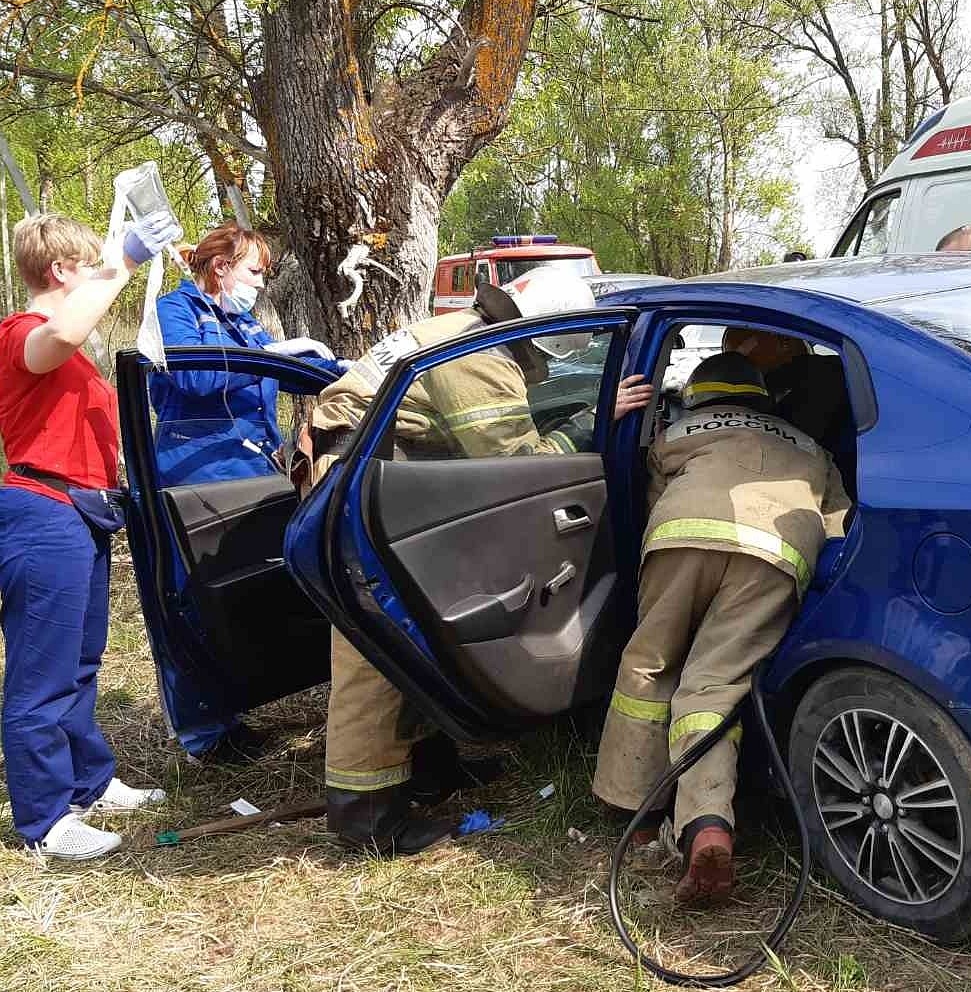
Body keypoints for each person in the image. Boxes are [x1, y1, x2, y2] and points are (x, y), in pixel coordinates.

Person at [308, 269, 653, 855]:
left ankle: (429, 770)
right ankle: (366, 814)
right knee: (378, 645)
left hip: (388, 478)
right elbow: (518, 458)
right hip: (363, 489)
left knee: (424, 628)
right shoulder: (478, 358)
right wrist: (589, 424)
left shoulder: (469, 330)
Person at [592, 352, 850, 905]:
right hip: (773, 558)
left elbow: (644, 497)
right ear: (762, 398)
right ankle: (707, 822)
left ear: (701, 396)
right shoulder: (810, 446)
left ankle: (633, 810)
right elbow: (839, 529)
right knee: (714, 685)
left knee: (648, 664)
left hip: (680, 539)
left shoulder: (679, 429)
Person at [0, 212, 175, 860]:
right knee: (39, 678)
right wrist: (124, 258)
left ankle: (89, 782)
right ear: (62, 272)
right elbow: (66, 332)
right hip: (42, 514)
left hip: (80, 513)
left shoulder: (67, 350)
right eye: (90, 269)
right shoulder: (24, 333)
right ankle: (44, 821)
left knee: (79, 663)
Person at [151, 222, 346, 763]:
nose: (261, 283)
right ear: (221, 267)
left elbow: (290, 371)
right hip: (196, 477)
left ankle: (244, 697)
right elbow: (192, 376)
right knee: (193, 599)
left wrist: (344, 371)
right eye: (255, 271)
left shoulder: (242, 323)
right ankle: (202, 732)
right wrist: (274, 353)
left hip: (254, 472)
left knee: (247, 592)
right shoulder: (177, 311)